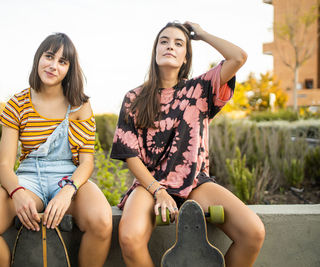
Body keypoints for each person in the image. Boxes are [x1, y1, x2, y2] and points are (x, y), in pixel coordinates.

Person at [110, 21, 265, 267]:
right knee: (129, 239)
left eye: (178, 43)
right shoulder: (134, 98)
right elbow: (130, 154)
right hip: (150, 185)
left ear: (185, 57)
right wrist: (158, 191)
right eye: (164, 41)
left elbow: (238, 57)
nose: (170, 46)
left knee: (253, 233)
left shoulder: (201, 89)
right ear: (155, 51)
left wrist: (201, 34)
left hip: (194, 182)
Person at [0, 33, 112, 267]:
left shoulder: (80, 104)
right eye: (49, 56)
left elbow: (87, 163)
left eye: (63, 62)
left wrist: (68, 191)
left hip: (68, 177)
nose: (53, 65)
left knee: (102, 222)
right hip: (28, 179)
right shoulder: (17, 104)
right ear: (38, 58)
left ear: (69, 69)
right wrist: (18, 193)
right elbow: (4, 166)